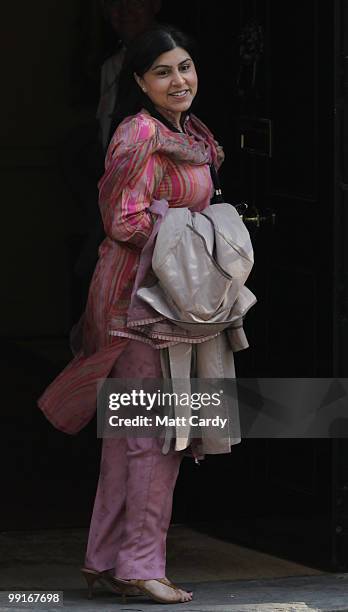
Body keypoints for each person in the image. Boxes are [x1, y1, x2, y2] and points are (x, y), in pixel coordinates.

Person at [38, 26, 227, 604]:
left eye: (186, 67)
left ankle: (107, 560)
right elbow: (123, 219)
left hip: (167, 301)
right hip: (140, 305)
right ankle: (141, 565)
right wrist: (194, 237)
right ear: (141, 82)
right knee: (156, 435)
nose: (180, 80)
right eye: (164, 71)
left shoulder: (188, 133)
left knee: (129, 435)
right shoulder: (138, 135)